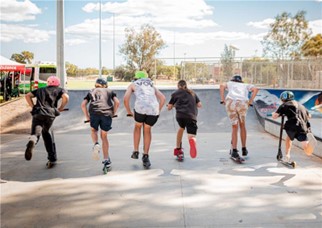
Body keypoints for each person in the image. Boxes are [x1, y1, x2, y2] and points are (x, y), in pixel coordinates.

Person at [123, 71, 166, 168]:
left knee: (138, 126)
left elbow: (126, 99)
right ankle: (146, 155)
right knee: (147, 129)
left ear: (136, 78)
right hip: (153, 110)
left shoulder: (133, 84)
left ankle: (136, 151)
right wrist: (157, 110)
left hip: (140, 108)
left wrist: (129, 112)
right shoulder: (151, 85)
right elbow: (163, 98)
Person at [25, 76, 69, 168]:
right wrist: (61, 107)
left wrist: (33, 106)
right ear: (58, 83)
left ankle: (32, 141)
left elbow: (27, 95)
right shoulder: (60, 90)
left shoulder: (40, 89)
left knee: (35, 134)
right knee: (45, 132)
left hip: (38, 113)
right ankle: (52, 158)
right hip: (50, 114)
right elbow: (66, 97)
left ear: (48, 83)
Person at [81, 78, 120, 172]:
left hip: (94, 113)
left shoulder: (91, 91)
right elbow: (117, 102)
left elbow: (83, 105)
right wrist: (113, 113)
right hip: (107, 114)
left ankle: (96, 144)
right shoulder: (110, 91)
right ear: (105, 85)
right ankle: (106, 159)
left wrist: (87, 117)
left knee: (93, 130)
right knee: (104, 136)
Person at [220, 75, 258, 160]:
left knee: (234, 126)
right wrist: (250, 102)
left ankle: (234, 150)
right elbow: (255, 89)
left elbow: (222, 85)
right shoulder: (245, 85)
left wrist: (223, 100)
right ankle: (244, 148)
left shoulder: (230, 83)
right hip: (243, 103)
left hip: (231, 102)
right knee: (242, 125)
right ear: (241, 81)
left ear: (233, 80)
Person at [272, 91, 316, 162]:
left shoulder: (284, 105)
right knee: (307, 151)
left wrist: (274, 113)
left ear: (283, 99)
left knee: (289, 138)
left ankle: (287, 155)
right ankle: (310, 145)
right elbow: (309, 116)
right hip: (303, 127)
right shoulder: (301, 105)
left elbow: (274, 116)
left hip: (292, 126)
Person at [167, 80, 202, 160]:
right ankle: (192, 141)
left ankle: (178, 149)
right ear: (186, 85)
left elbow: (169, 107)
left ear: (178, 86)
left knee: (181, 127)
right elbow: (199, 105)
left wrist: (174, 105)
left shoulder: (175, 93)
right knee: (191, 135)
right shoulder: (192, 93)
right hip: (191, 116)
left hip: (180, 116)